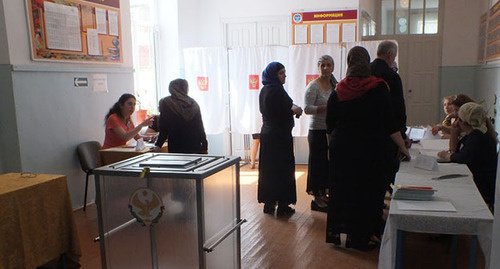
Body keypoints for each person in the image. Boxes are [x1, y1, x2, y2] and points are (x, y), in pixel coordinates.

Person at [326, 46, 410, 250]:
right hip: (369, 149)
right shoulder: (378, 88)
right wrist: (405, 149)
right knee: (366, 192)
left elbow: (330, 124)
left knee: (343, 191)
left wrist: (331, 148)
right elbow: (390, 124)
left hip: (342, 148)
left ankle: (339, 233)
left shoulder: (339, 90)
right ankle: (361, 237)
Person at [258, 61, 303, 216]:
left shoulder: (265, 90)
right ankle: (283, 205)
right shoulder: (277, 90)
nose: (285, 76)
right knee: (283, 171)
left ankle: (269, 204)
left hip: (268, 135)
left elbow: (286, 105)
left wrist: (293, 108)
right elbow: (284, 110)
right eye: (281, 73)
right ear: (273, 75)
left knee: (269, 171)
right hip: (279, 137)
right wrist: (296, 110)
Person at [437, 102, 497, 211]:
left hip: (481, 188)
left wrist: (447, 155)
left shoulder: (478, 138)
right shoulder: (477, 133)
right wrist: (454, 133)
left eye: (458, 119)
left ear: (463, 122)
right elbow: (457, 150)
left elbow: (461, 157)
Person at [370, 40, 410, 193]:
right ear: (390, 54)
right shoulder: (391, 76)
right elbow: (398, 109)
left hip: (365, 134)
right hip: (387, 134)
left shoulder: (365, 72)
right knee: (385, 172)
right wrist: (402, 135)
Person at [304, 55, 338, 212]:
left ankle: (324, 194)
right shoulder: (313, 86)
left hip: (330, 130)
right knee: (318, 164)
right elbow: (307, 109)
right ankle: (316, 199)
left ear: (333, 67)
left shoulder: (334, 85)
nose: (325, 68)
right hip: (317, 131)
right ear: (318, 68)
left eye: (328, 65)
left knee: (327, 164)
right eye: (322, 65)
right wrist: (326, 107)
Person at [154, 79, 208, 154]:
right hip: (195, 145)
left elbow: (164, 128)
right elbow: (200, 127)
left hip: (176, 144)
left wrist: (158, 145)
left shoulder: (166, 102)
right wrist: (204, 146)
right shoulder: (193, 103)